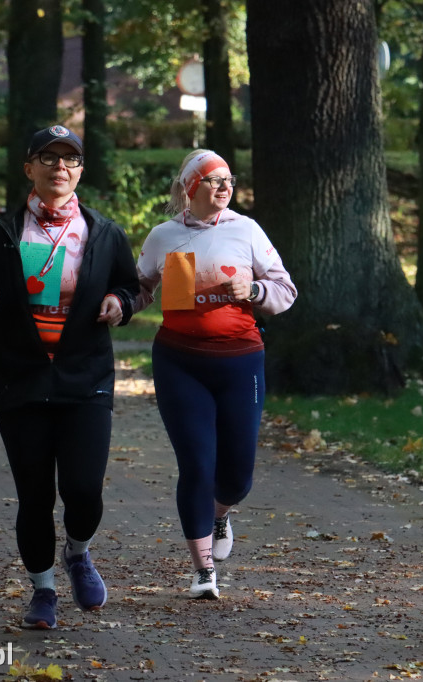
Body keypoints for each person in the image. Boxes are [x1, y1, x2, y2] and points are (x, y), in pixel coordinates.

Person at [0, 125, 145, 629]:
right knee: (35, 495)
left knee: (84, 489)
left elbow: (132, 287)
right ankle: (42, 590)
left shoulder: (104, 233)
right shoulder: (0, 237)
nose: (60, 167)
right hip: (22, 380)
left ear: (80, 171)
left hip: (86, 379)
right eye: (48, 158)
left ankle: (78, 552)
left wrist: (120, 303)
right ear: (28, 168)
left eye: (70, 160)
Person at [135, 150, 296, 599]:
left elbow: (286, 289)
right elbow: (140, 286)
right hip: (179, 362)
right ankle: (204, 571)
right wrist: (119, 304)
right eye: (212, 179)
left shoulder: (246, 230)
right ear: (190, 188)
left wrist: (256, 289)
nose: (223, 186)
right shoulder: (164, 235)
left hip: (240, 360)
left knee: (237, 476)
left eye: (228, 179)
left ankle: (221, 512)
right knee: (197, 465)